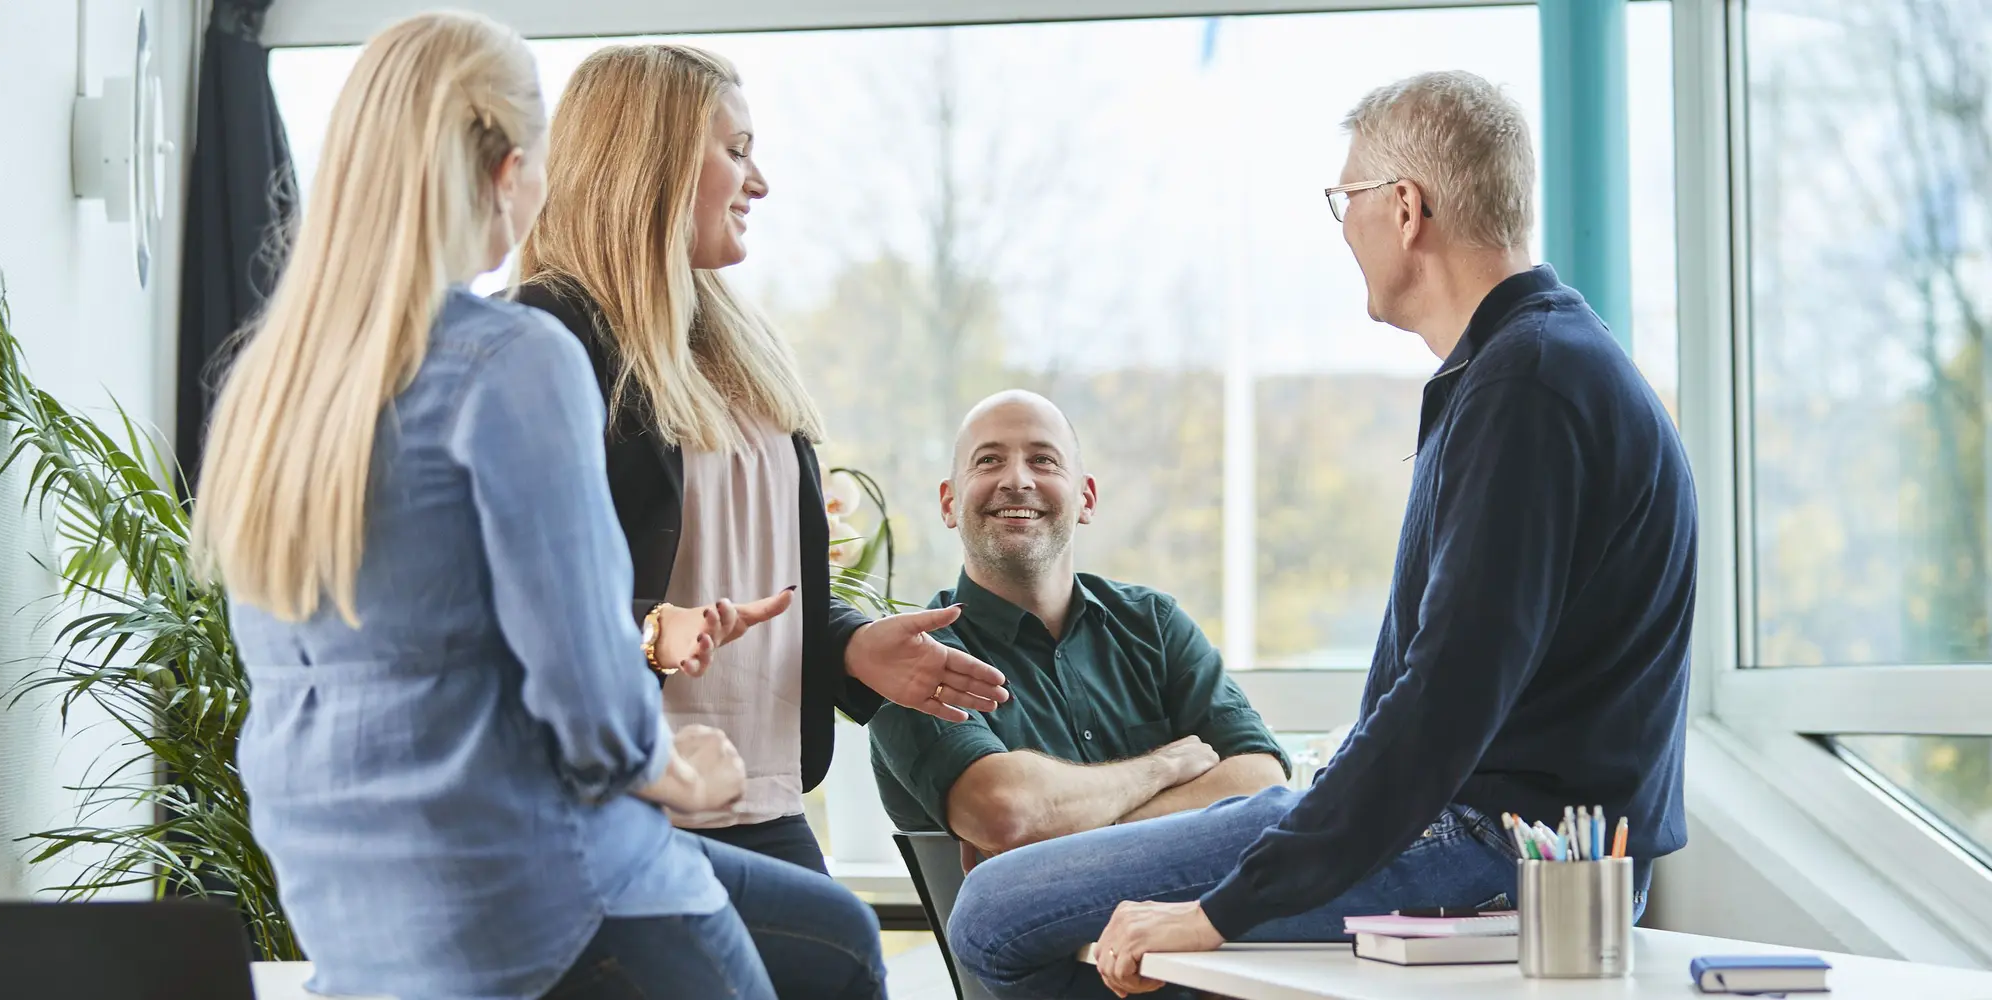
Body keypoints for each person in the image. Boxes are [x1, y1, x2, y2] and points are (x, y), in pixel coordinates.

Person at [945, 70, 1697, 999]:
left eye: (1346, 200)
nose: (1342, 226)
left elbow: (1447, 700)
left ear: (1406, 208)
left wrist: (1221, 910)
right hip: (1481, 830)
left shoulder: (1525, 388)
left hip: (1494, 852)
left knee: (993, 911)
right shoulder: (1542, 364)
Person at [192, 13, 886, 999]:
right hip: (538, 894)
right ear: (510, 169)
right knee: (842, 947)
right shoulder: (514, 359)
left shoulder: (272, 385)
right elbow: (586, 693)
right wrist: (676, 765)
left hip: (346, 894)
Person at [513, 44, 1009, 875]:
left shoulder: (737, 345)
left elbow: (760, 571)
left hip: (762, 790)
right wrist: (649, 636)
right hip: (622, 802)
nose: (760, 181)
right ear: (652, 157)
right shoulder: (548, 332)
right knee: (841, 957)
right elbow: (524, 592)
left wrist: (850, 645)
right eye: (736, 150)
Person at [868, 390, 1288, 868]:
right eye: (988, 461)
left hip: (1183, 932)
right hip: (1023, 942)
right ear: (949, 503)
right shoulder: (913, 659)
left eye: (1043, 460)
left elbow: (1261, 782)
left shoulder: (1154, 623)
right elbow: (1006, 813)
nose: (1017, 480)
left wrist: (1064, 829)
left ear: (1085, 498)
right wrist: (1165, 767)